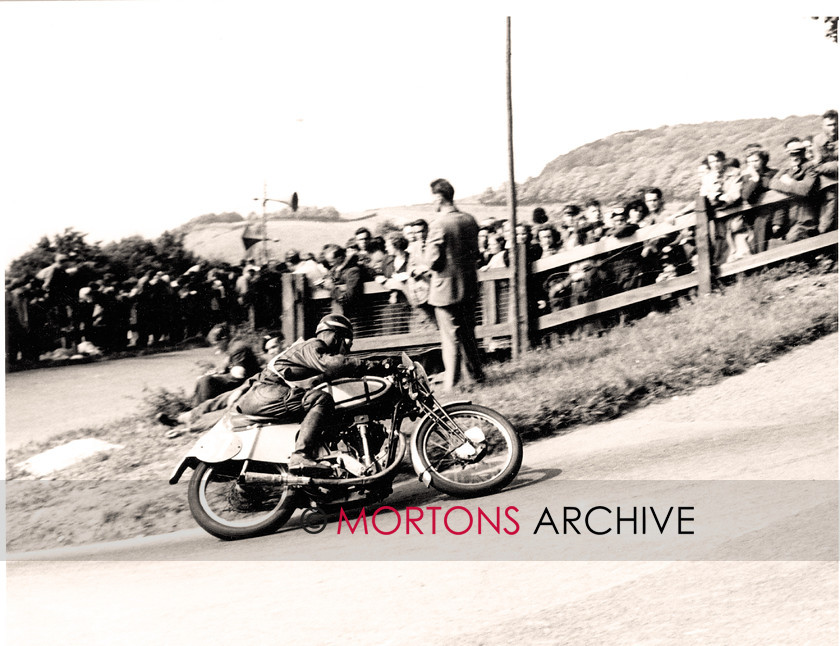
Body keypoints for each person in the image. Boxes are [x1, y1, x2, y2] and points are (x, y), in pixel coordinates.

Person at [235, 314, 380, 471]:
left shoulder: (313, 353)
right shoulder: (313, 346)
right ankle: (300, 455)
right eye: (347, 340)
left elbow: (339, 370)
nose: (348, 346)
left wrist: (381, 364)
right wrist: (374, 366)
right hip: (267, 392)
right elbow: (334, 364)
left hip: (268, 393)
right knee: (321, 400)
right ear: (336, 336)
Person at [425, 178, 485, 391]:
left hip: (444, 290)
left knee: (450, 339)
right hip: (468, 286)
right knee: (469, 334)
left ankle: (452, 384)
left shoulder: (438, 224)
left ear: (439, 198)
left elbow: (432, 261)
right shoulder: (470, 219)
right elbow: (476, 254)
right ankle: (477, 376)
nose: (431, 202)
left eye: (432, 197)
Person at [190, 323, 261, 408]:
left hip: (249, 386)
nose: (215, 348)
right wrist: (217, 373)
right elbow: (226, 370)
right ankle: (196, 409)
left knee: (206, 381)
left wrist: (216, 376)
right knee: (203, 379)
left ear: (224, 339)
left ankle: (200, 412)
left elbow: (238, 375)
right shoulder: (232, 347)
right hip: (243, 383)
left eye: (215, 344)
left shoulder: (238, 348)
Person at [769, 138, 821, 242]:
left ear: (803, 153)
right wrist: (794, 186)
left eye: (798, 153)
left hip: (806, 218)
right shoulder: (786, 168)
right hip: (791, 217)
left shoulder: (809, 167)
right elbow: (772, 183)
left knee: (792, 239)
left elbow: (805, 189)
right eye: (792, 154)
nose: (795, 157)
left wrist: (788, 181)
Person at [812, 109, 838, 233]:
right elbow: (817, 166)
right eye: (829, 125)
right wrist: (837, 165)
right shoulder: (818, 141)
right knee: (828, 219)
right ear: (823, 126)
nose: (833, 128)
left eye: (835, 124)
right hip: (830, 185)